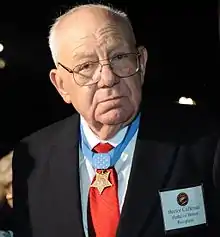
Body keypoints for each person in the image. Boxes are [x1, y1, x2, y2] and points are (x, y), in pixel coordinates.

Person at [12, 3, 220, 237]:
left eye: (119, 56)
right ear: (61, 85)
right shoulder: (33, 157)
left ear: (140, 63)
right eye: (86, 66)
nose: (108, 78)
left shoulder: (205, 139)